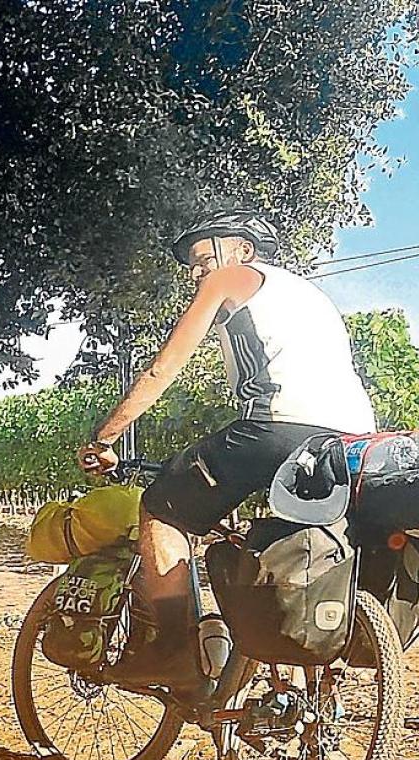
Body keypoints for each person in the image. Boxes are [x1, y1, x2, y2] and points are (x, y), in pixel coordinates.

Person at [78, 210, 376, 691]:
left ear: (241, 250)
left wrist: (106, 436)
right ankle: (315, 721)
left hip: (281, 427)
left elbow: (164, 367)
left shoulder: (233, 277)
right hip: (353, 442)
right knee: (302, 555)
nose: (198, 274)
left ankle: (173, 651)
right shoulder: (311, 296)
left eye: (201, 259)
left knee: (161, 507)